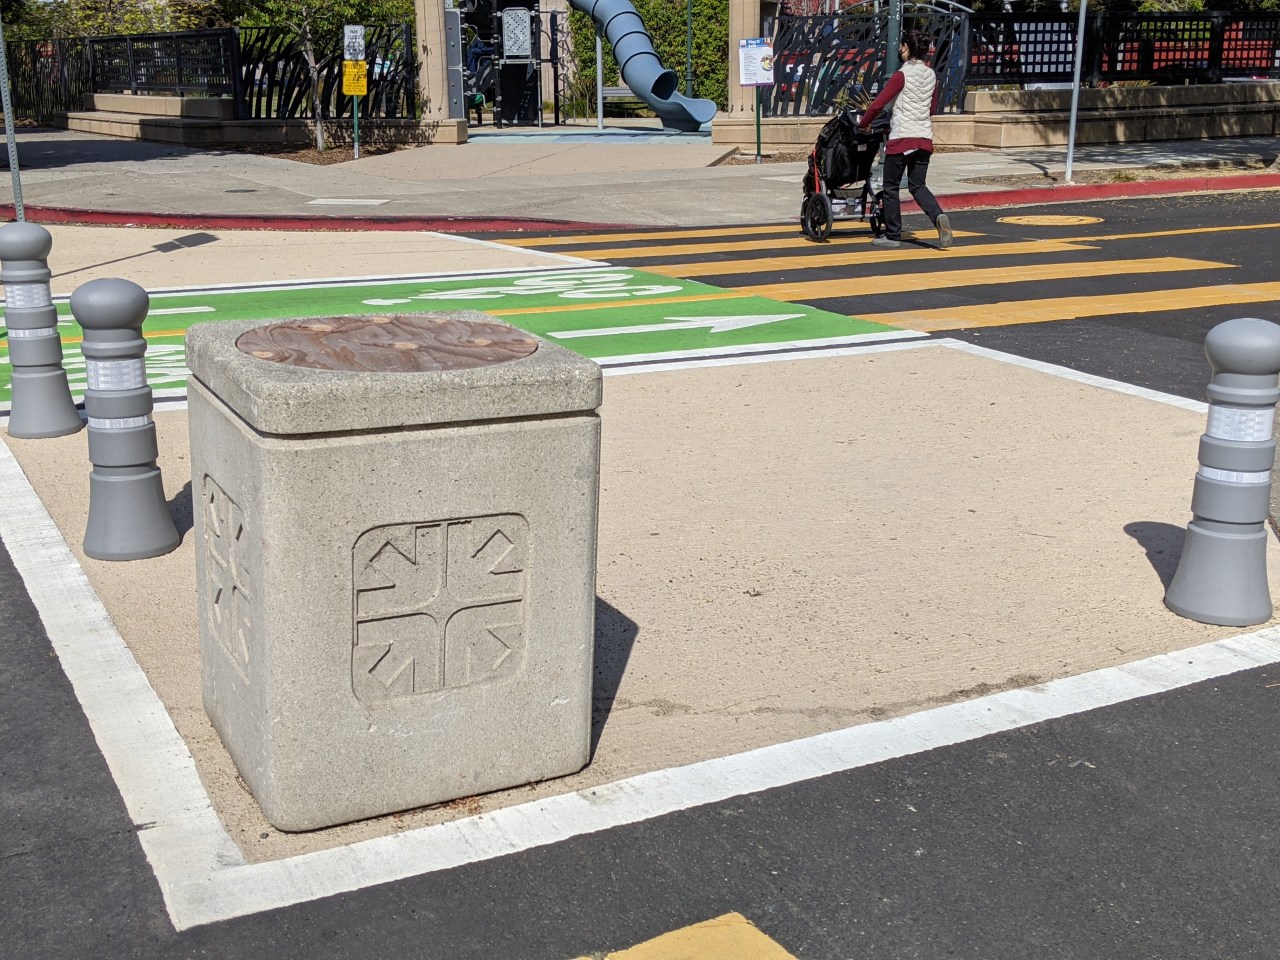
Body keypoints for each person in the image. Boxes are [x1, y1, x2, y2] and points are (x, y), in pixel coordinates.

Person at [858, 30, 953, 250]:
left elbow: (878, 104)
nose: (900, 50)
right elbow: (931, 108)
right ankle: (938, 216)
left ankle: (893, 235)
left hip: (902, 139)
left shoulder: (901, 75)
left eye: (901, 46)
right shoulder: (931, 75)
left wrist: (863, 124)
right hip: (924, 139)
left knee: (890, 187)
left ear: (905, 48)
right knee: (918, 186)